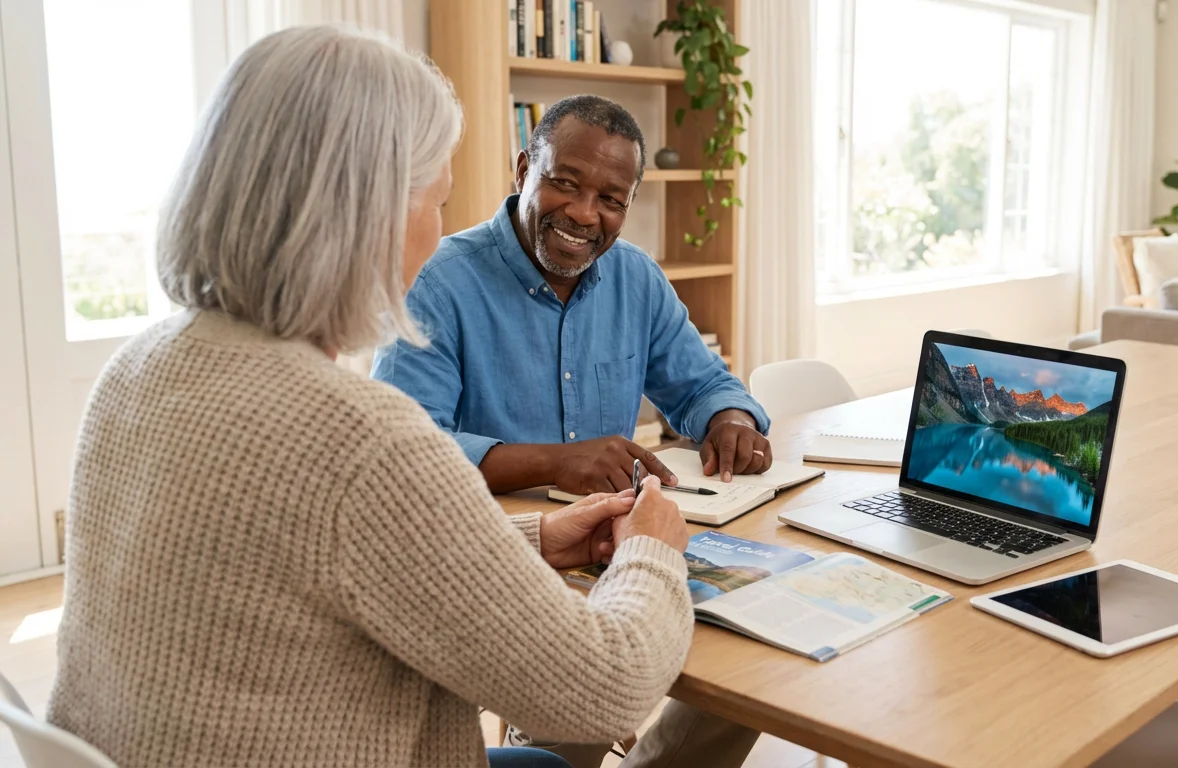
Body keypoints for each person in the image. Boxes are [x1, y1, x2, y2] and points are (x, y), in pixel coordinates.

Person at [46, 26, 695, 768]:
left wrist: (537, 540)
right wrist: (650, 549)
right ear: (368, 215)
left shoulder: (135, 369)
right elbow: (605, 690)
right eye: (438, 201)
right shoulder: (364, 443)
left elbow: (317, 560)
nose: (440, 233)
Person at [372, 94, 773, 495]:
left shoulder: (636, 277)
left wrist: (731, 421)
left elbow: (704, 386)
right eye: (565, 183)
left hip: (613, 525)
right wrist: (557, 463)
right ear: (523, 171)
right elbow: (401, 450)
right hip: (490, 526)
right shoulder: (434, 282)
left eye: (611, 200)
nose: (583, 213)